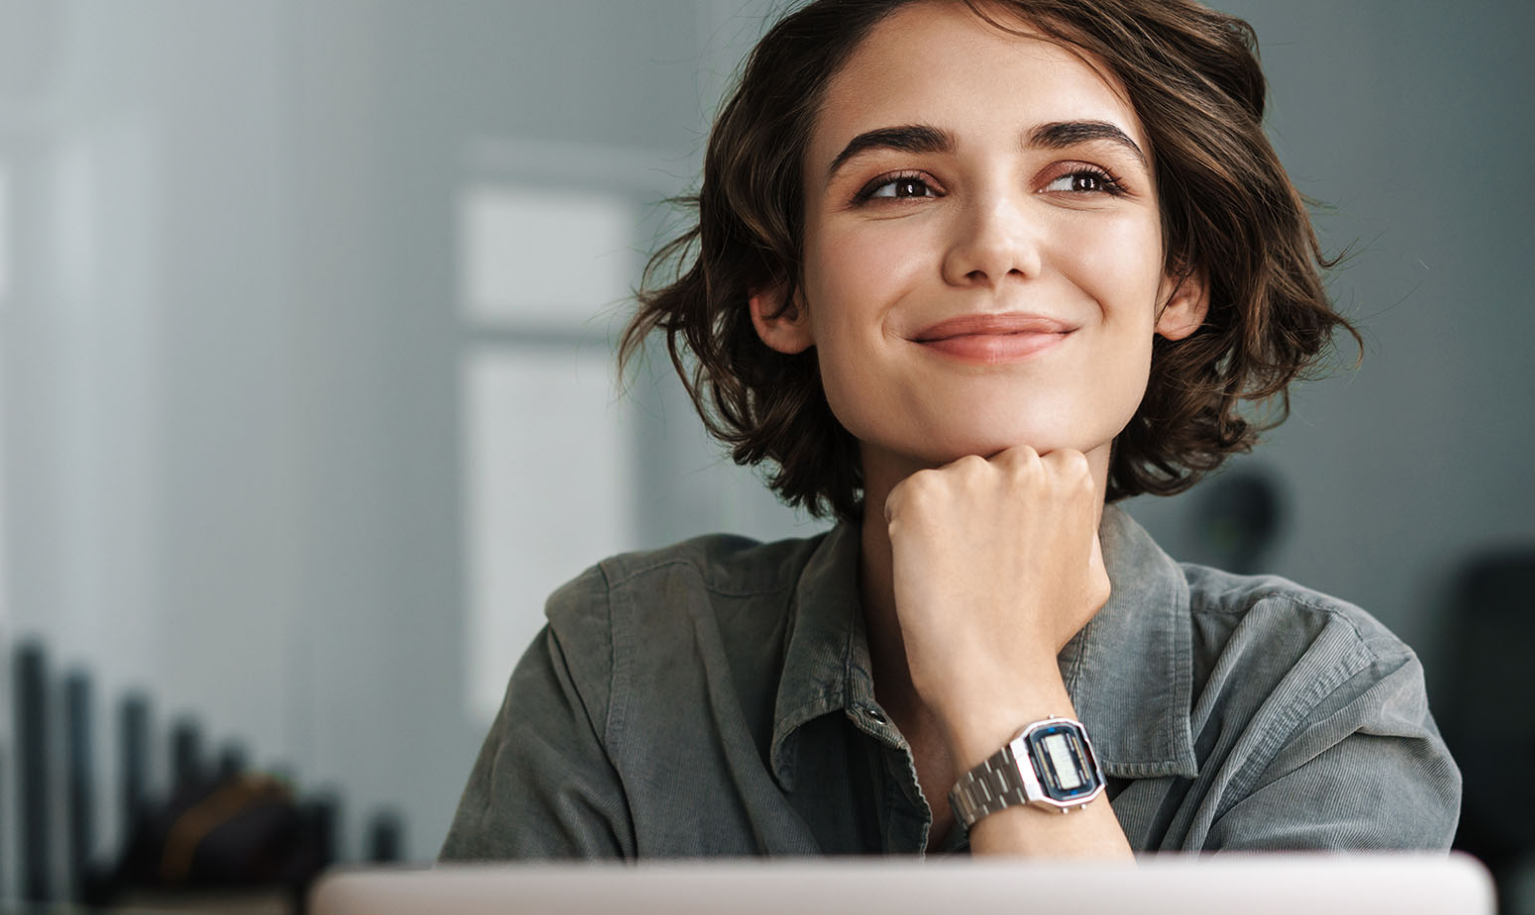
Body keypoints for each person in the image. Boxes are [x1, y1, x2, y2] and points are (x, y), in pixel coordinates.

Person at [440, 0, 1460, 860]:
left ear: (1178, 279)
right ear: (779, 291)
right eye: (898, 186)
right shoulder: (621, 666)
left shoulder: (1319, 707)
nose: (993, 248)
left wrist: (998, 679)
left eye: (1080, 179)